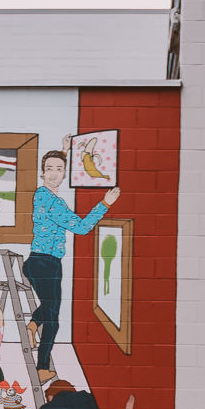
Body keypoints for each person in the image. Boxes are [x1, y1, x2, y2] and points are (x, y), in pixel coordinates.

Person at [24, 148, 120, 379]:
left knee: (49, 307)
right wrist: (105, 204)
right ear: (42, 173)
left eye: (59, 169)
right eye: (49, 169)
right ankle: (42, 368)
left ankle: (32, 327)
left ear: (65, 173)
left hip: (37, 262)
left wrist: (65, 148)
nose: (54, 174)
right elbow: (82, 227)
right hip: (46, 264)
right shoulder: (52, 201)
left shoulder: (42, 195)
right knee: (54, 319)